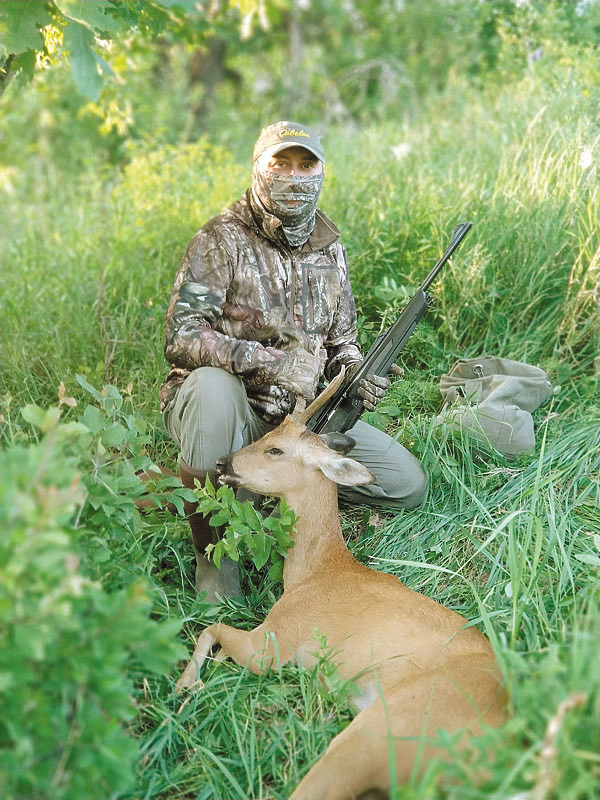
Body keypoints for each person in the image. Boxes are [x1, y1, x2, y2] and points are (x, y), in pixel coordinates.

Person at [160, 121, 427, 600]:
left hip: (300, 421)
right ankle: (214, 561)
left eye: (306, 164)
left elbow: (342, 340)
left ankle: (268, 488)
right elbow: (181, 336)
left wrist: (356, 377)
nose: (293, 175)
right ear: (258, 168)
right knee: (210, 388)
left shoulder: (330, 247)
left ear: (322, 172)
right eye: (280, 162)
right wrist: (271, 363)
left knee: (404, 485)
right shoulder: (220, 239)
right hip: (232, 407)